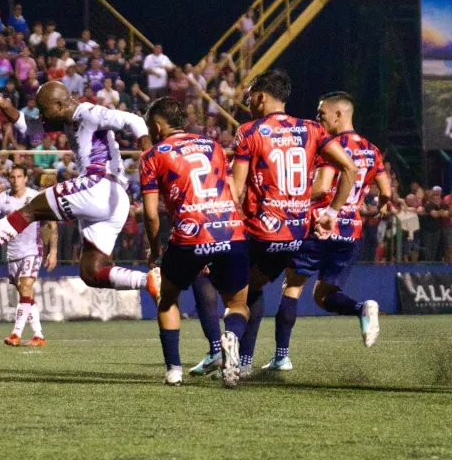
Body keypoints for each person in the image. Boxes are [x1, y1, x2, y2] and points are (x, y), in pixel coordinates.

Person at [0, 83, 159, 299]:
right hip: (115, 202)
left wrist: (149, 153)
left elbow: (134, 120)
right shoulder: (64, 118)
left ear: (59, 104)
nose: (40, 113)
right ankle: (148, 280)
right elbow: (28, 127)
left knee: (30, 209)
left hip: (99, 185)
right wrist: (3, 106)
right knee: (91, 272)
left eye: (43, 108)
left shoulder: (88, 113)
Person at [224, 69, 357, 376]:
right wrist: (332, 213)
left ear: (260, 97)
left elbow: (238, 188)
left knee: (230, 292)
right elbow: (348, 168)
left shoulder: (250, 131)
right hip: (295, 235)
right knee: (253, 288)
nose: (248, 103)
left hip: (259, 231)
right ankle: (244, 362)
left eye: (249, 98)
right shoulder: (312, 129)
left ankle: (228, 346)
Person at [260, 92, 391, 373]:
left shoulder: (331, 146)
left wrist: (291, 199)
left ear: (338, 115)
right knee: (323, 295)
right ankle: (361, 308)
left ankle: (281, 357)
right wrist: (379, 206)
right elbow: (386, 191)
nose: (318, 120)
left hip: (320, 225)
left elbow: (321, 187)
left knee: (292, 287)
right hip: (351, 233)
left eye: (321, 115)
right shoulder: (371, 149)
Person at [140, 98, 250, 387]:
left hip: (189, 235)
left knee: (168, 300)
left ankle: (174, 369)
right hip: (229, 230)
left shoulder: (153, 155)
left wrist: (155, 248)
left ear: (157, 125)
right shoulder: (213, 146)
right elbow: (233, 193)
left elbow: (151, 214)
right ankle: (231, 337)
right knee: (238, 304)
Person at [0, 165, 57, 347]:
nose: (15, 180)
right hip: (13, 252)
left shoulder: (36, 198)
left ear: (25, 178)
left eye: (19, 176)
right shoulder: (1, 200)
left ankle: (16, 334)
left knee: (25, 286)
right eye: (12, 176)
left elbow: (52, 224)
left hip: (33, 249)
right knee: (25, 293)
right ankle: (38, 336)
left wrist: (53, 251)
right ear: (8, 178)